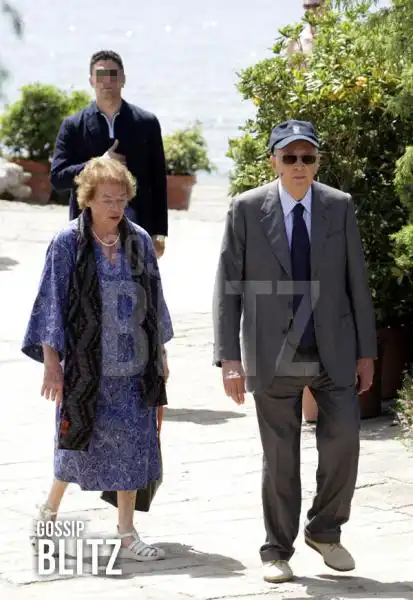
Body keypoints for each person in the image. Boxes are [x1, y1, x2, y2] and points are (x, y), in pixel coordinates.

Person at [212, 119, 377, 583]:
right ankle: (276, 550)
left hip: (333, 350)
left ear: (317, 162)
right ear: (274, 161)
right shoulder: (245, 209)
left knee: (344, 441)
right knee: (280, 456)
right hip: (271, 352)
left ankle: (325, 530)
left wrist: (366, 351)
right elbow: (229, 287)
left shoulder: (338, 206)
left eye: (308, 157)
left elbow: (356, 283)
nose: (300, 166)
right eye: (290, 157)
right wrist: (229, 357)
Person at [22, 156, 173, 561]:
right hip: (87, 365)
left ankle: (127, 533)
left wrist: (159, 355)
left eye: (121, 198)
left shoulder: (139, 240)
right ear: (87, 198)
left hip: (134, 363)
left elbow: (154, 303)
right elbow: (50, 304)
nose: (115, 206)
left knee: (132, 445)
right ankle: (49, 509)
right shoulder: (67, 242)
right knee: (74, 444)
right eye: (107, 198)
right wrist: (52, 364)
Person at [50, 49, 168, 259]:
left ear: (123, 79)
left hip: (137, 223)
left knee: (136, 289)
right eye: (101, 76)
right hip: (88, 226)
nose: (107, 82)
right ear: (91, 81)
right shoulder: (74, 126)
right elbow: (58, 178)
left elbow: (158, 180)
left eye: (113, 75)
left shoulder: (146, 123)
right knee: (91, 289)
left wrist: (159, 232)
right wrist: (98, 164)